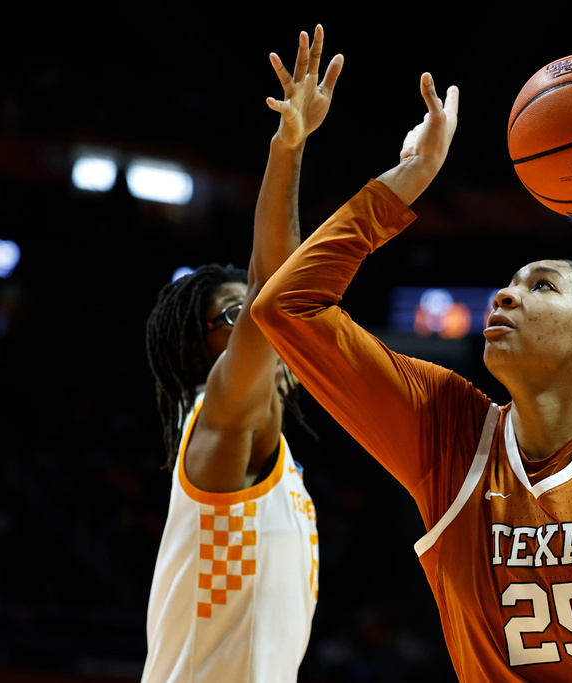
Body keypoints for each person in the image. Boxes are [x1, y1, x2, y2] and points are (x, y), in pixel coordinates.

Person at [254, 69, 572, 682]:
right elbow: (286, 309)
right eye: (505, 285)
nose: (504, 297)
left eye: (541, 285)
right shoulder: (450, 431)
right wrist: (406, 181)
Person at [140, 26, 342, 683]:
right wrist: (289, 148)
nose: (254, 322)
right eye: (231, 317)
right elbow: (273, 298)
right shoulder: (218, 427)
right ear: (202, 352)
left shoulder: (276, 467)